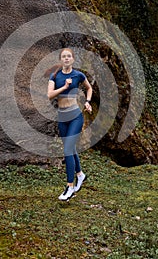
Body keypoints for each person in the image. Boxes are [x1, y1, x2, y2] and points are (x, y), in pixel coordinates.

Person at [47, 48, 92, 201]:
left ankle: (70, 187)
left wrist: (87, 102)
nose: (66, 59)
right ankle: (80, 175)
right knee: (70, 148)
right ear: (61, 59)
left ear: (73, 59)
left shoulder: (78, 75)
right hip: (62, 117)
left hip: (75, 116)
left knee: (67, 150)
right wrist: (64, 87)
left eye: (69, 56)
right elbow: (49, 95)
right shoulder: (55, 76)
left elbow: (89, 88)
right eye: (63, 56)